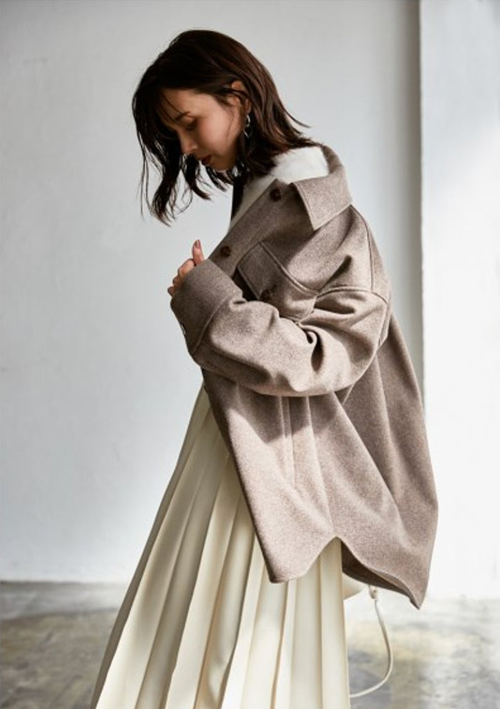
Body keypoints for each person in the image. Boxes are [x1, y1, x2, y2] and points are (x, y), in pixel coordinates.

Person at [88, 29, 438, 709]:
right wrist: (210, 296)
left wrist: (207, 299)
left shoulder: (323, 212)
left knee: (236, 638)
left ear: (238, 95)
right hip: (235, 438)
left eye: (188, 123)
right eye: (173, 134)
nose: (185, 147)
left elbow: (325, 355)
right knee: (198, 622)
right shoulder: (263, 191)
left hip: (279, 457)